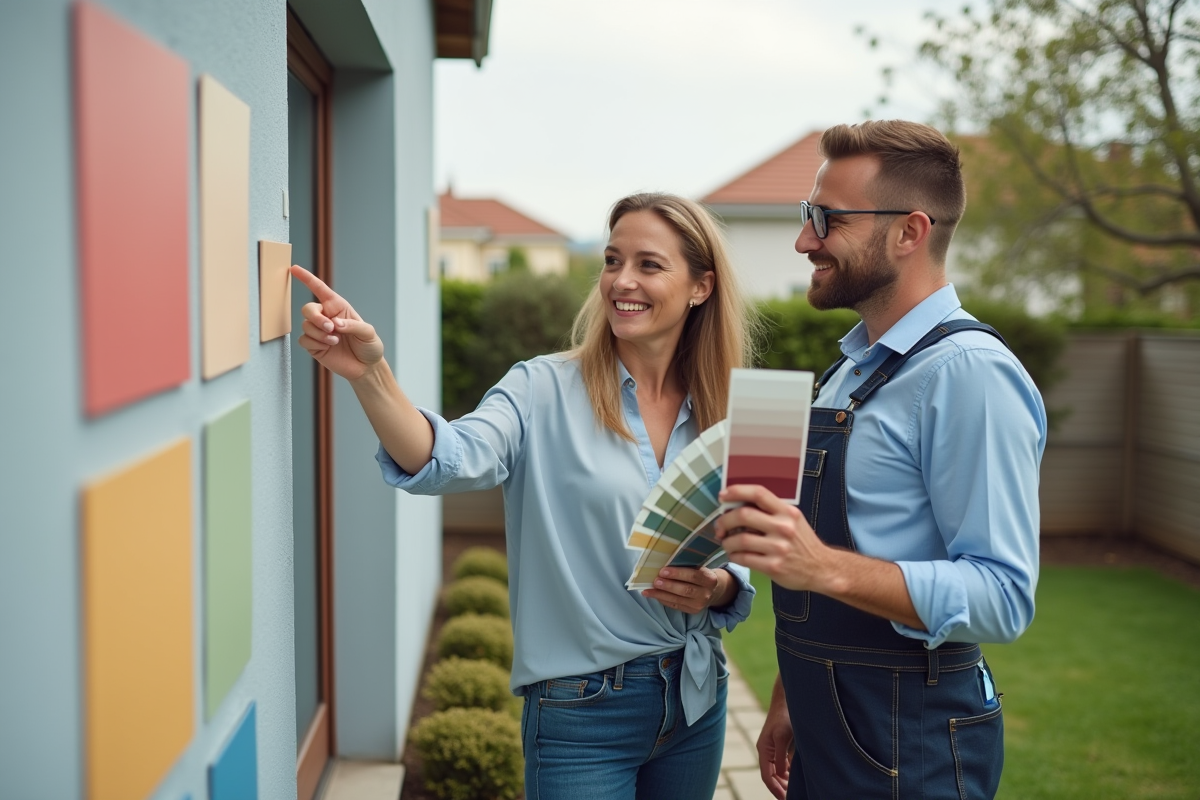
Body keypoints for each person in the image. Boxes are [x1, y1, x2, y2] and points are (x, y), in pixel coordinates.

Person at [290, 192, 760, 800]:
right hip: (583, 712)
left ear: (701, 286)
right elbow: (444, 458)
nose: (622, 280)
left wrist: (721, 586)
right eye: (613, 259)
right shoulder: (541, 387)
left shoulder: (733, 407)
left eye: (649, 264)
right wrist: (372, 376)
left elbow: (746, 537)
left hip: (698, 696)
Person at [716, 120, 1047, 800]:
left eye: (826, 219)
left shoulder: (970, 376)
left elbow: (1004, 598)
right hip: (826, 716)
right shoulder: (849, 371)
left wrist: (824, 567)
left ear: (909, 232)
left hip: (908, 735)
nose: (805, 239)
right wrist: (791, 691)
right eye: (808, 216)